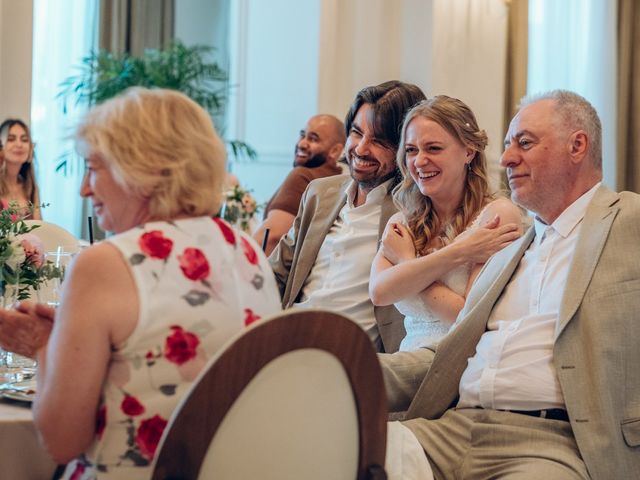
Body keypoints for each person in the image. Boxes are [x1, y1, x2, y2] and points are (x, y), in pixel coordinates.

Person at [0, 88, 281, 479]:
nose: (84, 188)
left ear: (141, 171)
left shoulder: (104, 264)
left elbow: (62, 440)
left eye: (93, 168)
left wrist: (45, 346)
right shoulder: (245, 249)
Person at [381, 90, 640, 479]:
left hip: (552, 443)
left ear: (577, 145)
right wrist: (352, 368)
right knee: (331, 452)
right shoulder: (508, 250)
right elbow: (450, 354)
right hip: (451, 430)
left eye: (524, 143)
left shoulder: (630, 221)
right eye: (506, 146)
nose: (505, 160)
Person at [269, 80, 426, 353]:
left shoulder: (414, 214)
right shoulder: (320, 194)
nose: (361, 149)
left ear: (405, 146)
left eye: (378, 140)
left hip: (348, 362)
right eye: (356, 133)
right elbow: (275, 273)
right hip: (284, 342)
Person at [370, 96, 523, 351]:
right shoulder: (403, 222)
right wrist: (460, 252)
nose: (419, 161)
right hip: (409, 357)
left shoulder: (497, 215)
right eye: (411, 150)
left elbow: (467, 317)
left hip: (459, 361)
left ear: (469, 151)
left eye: (433, 148)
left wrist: (408, 267)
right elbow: (379, 293)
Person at [253, 114, 346, 255]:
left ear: (335, 151)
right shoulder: (340, 181)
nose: (302, 143)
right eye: (302, 135)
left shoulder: (302, 176)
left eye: (313, 139)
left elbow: (272, 237)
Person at [0, 119, 42, 219]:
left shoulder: (32, 188)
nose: (19, 145)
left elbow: (40, 228)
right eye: (11, 139)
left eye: (24, 140)